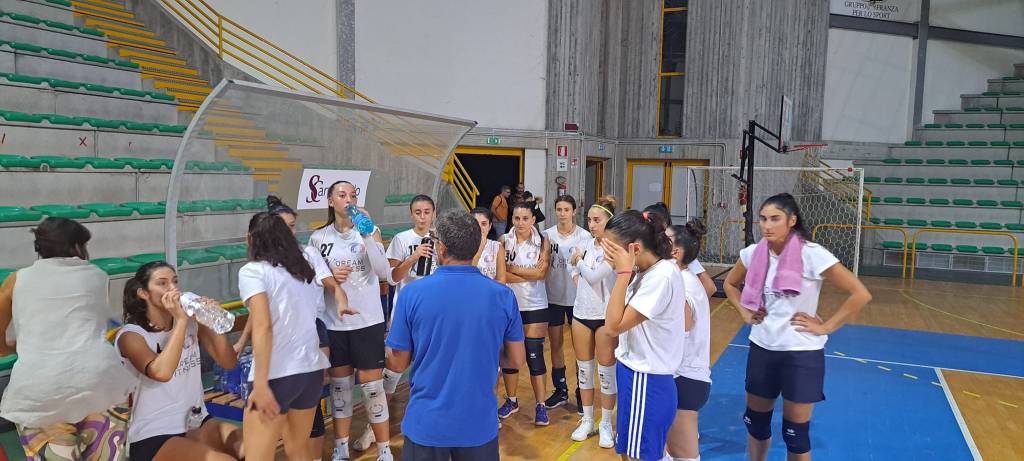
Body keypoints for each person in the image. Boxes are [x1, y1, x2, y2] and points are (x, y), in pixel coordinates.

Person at [723, 193, 871, 461]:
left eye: (775, 219)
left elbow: (860, 294)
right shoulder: (753, 253)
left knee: (795, 434)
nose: (767, 225)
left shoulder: (812, 255)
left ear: (792, 220)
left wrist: (826, 326)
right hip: (762, 347)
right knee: (755, 424)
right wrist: (745, 312)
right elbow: (729, 285)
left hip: (801, 354)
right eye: (763, 219)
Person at [386, 210, 526, 460]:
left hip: (427, 424)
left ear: (441, 248)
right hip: (479, 424)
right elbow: (515, 360)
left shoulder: (412, 294)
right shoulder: (503, 296)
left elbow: (397, 362)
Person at [0, 217, 134, 461]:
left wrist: (14, 348)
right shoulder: (97, 276)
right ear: (76, 247)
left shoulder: (16, 280)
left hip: (40, 390)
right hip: (101, 381)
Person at [234, 196, 350, 461]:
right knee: (299, 453)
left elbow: (263, 327)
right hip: (309, 372)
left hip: (276, 374)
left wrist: (261, 384)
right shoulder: (303, 267)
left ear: (251, 239)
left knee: (257, 456)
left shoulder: (253, 271)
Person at [116, 261, 243, 461]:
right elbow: (161, 373)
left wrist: (211, 320)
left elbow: (228, 362)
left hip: (196, 420)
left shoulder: (191, 323)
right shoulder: (131, 335)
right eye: (163, 283)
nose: (173, 289)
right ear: (143, 293)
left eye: (175, 282)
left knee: (251, 447)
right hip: (154, 433)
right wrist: (181, 321)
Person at [307, 181, 395, 461]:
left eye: (353, 195)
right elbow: (311, 283)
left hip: (367, 321)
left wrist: (368, 233)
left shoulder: (369, 230)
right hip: (334, 323)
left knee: (372, 389)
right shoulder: (318, 237)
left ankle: (384, 450)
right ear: (331, 201)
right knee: (340, 389)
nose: (349, 200)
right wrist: (330, 277)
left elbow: (383, 272)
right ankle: (341, 447)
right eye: (342, 195)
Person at [600, 209, 688, 461]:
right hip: (634, 374)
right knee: (629, 453)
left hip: (646, 379)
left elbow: (613, 327)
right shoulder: (647, 271)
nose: (607, 254)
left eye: (612, 249)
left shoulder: (660, 276)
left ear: (634, 249)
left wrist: (623, 274)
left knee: (640, 456)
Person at [566, 196, 619, 447]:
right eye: (589, 220)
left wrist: (579, 263)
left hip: (605, 316)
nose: (592, 225)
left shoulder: (615, 247)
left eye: (597, 220)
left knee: (606, 372)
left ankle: (606, 423)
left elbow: (597, 276)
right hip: (581, 313)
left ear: (609, 220)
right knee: (584, 370)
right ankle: (587, 419)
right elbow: (572, 266)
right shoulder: (584, 244)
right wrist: (577, 276)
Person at [498, 202, 552, 426]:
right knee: (509, 356)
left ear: (533, 220)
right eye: (516, 218)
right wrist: (528, 274)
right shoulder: (502, 241)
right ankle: (512, 400)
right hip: (509, 305)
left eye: (525, 218)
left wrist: (511, 269)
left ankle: (541, 406)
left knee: (534, 355)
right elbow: (502, 276)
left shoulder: (543, 241)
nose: (520, 223)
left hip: (535, 305)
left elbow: (542, 273)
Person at [666, 221, 712, 461]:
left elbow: (681, 329)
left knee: (683, 456)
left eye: (664, 239)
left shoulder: (682, 283)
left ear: (675, 252)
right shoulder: (680, 278)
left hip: (684, 378)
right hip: (685, 376)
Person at [541, 195, 590, 410]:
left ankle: (582, 392)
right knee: (556, 345)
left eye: (566, 209)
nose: (562, 213)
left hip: (577, 299)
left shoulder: (585, 237)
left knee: (581, 348)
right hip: (553, 297)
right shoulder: (546, 236)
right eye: (559, 209)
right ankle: (560, 391)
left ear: (574, 211)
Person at [647, 204, 716, 298]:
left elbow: (710, 287)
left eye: (650, 222)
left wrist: (692, 306)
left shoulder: (678, 254)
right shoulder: (645, 249)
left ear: (665, 226)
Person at [386, 194, 437, 299]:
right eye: (418, 213)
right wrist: (413, 257)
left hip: (434, 300)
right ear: (411, 215)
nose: (422, 217)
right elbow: (392, 279)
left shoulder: (441, 239)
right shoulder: (401, 239)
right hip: (409, 301)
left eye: (427, 212)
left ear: (434, 214)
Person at [470, 207, 507, 283]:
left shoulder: (497, 247)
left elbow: (502, 280)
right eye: (475, 223)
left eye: (484, 224)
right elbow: (465, 275)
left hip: (490, 293)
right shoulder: (461, 245)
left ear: (490, 226)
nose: (479, 228)